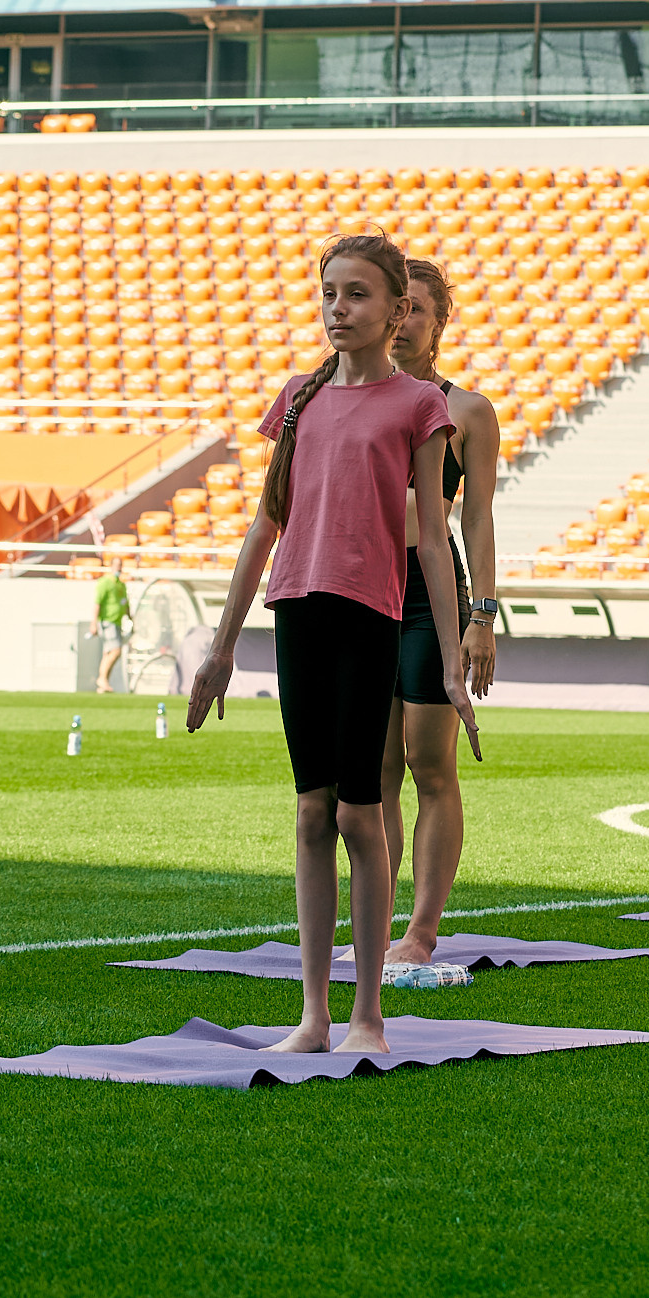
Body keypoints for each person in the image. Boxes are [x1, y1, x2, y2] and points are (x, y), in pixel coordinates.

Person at [187, 230, 480, 1056]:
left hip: (369, 618)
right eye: (328, 294)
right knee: (312, 812)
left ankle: (368, 1017)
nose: (337, 309)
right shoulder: (298, 398)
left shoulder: (421, 408)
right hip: (298, 614)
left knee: (361, 815)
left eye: (356, 295)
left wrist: (455, 651)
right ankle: (313, 1017)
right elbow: (263, 528)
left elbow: (430, 538)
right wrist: (219, 648)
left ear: (396, 311)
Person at [379, 258, 501, 966]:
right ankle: (376, 919)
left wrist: (482, 616)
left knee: (429, 763)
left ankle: (421, 930)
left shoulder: (467, 411)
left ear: (438, 321)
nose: (402, 322)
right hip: (356, 588)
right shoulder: (335, 394)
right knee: (370, 771)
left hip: (430, 597)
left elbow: (478, 518)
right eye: (395, 307)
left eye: (416, 309)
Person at [92, 567, 129, 693]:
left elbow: (125, 602)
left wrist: (130, 616)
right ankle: (102, 679)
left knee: (108, 652)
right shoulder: (105, 582)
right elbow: (97, 602)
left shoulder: (121, 585)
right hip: (108, 621)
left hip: (117, 622)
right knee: (115, 651)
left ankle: (102, 685)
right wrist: (94, 623)